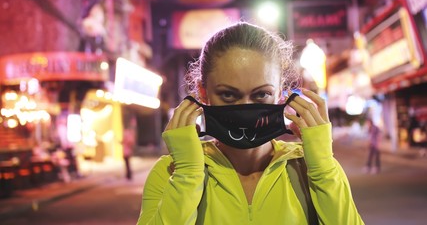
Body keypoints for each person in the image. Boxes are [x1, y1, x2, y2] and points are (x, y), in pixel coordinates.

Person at [137, 22, 364, 224]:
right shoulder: (170, 172)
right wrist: (187, 175)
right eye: (228, 95)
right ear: (203, 93)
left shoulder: (310, 168)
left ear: (281, 94)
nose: (245, 107)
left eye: (261, 94)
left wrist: (323, 166)